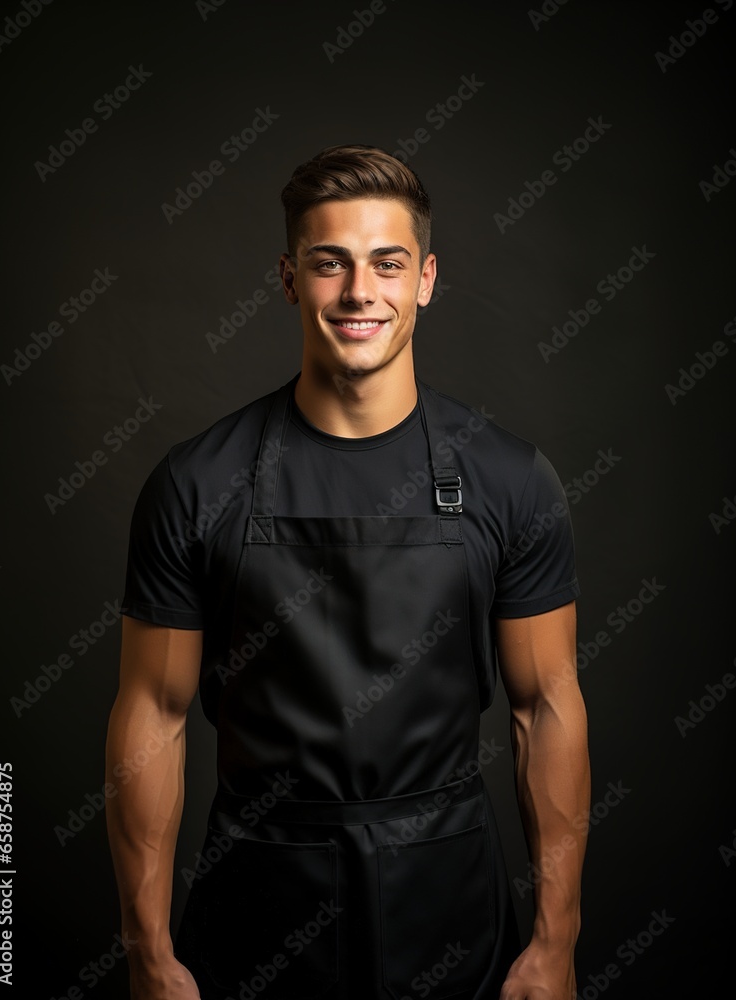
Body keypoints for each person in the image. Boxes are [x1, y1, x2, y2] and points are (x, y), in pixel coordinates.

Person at [106, 144, 590, 1000]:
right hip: (258, 907)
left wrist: (555, 940)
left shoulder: (512, 480)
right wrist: (148, 952)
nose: (359, 291)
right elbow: (155, 709)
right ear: (290, 278)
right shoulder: (196, 483)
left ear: (426, 279)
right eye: (329, 263)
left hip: (450, 908)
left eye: (386, 264)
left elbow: (544, 704)